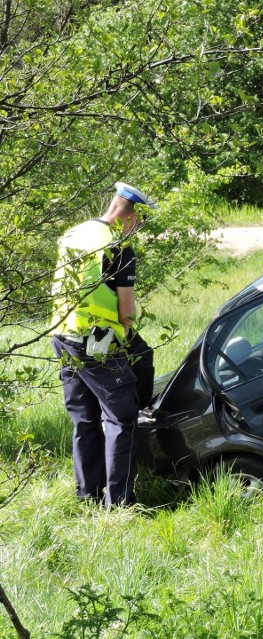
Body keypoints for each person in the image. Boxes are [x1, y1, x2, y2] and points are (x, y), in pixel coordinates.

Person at [49, 182, 156, 507]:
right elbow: (126, 312)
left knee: (85, 418)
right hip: (97, 339)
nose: (138, 228)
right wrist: (124, 337)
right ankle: (119, 504)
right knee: (122, 418)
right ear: (131, 216)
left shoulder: (75, 234)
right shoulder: (119, 247)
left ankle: (87, 497)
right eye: (139, 220)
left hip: (62, 334)